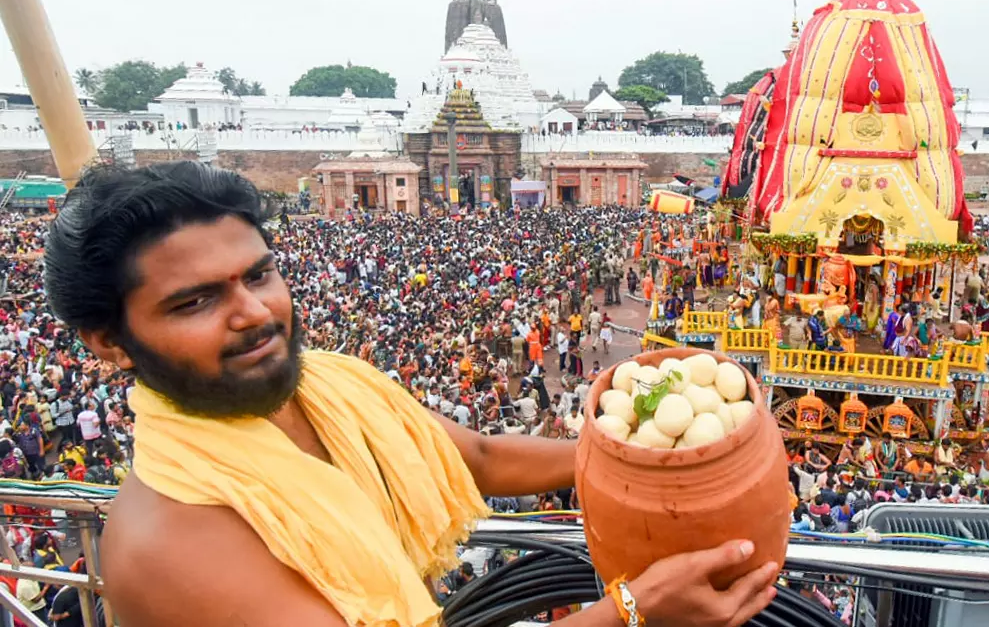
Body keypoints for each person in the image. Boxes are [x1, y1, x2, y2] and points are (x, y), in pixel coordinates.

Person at [45, 163, 780, 627]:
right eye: (194, 302)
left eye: (259, 275)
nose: (255, 313)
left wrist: (641, 450)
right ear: (107, 342)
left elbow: (481, 457)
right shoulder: (169, 542)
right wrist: (631, 614)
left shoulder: (331, 385)